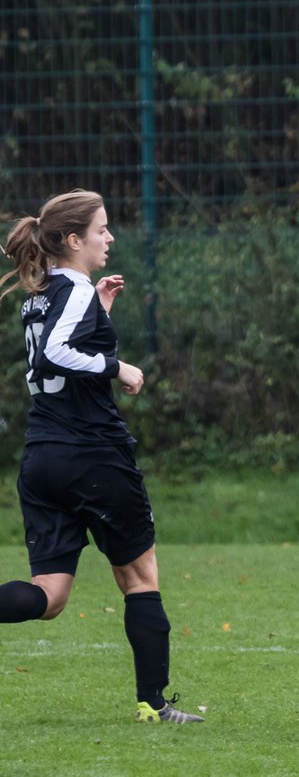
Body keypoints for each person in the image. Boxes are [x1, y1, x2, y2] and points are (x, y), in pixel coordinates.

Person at [0, 189, 203, 724]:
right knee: (140, 577)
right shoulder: (77, 287)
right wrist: (120, 367)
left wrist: (102, 312)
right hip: (91, 455)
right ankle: (155, 706)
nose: (110, 238)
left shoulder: (39, 294)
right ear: (73, 240)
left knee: (50, 594)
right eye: (102, 230)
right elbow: (56, 354)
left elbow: (59, 348)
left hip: (42, 456)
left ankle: (154, 704)